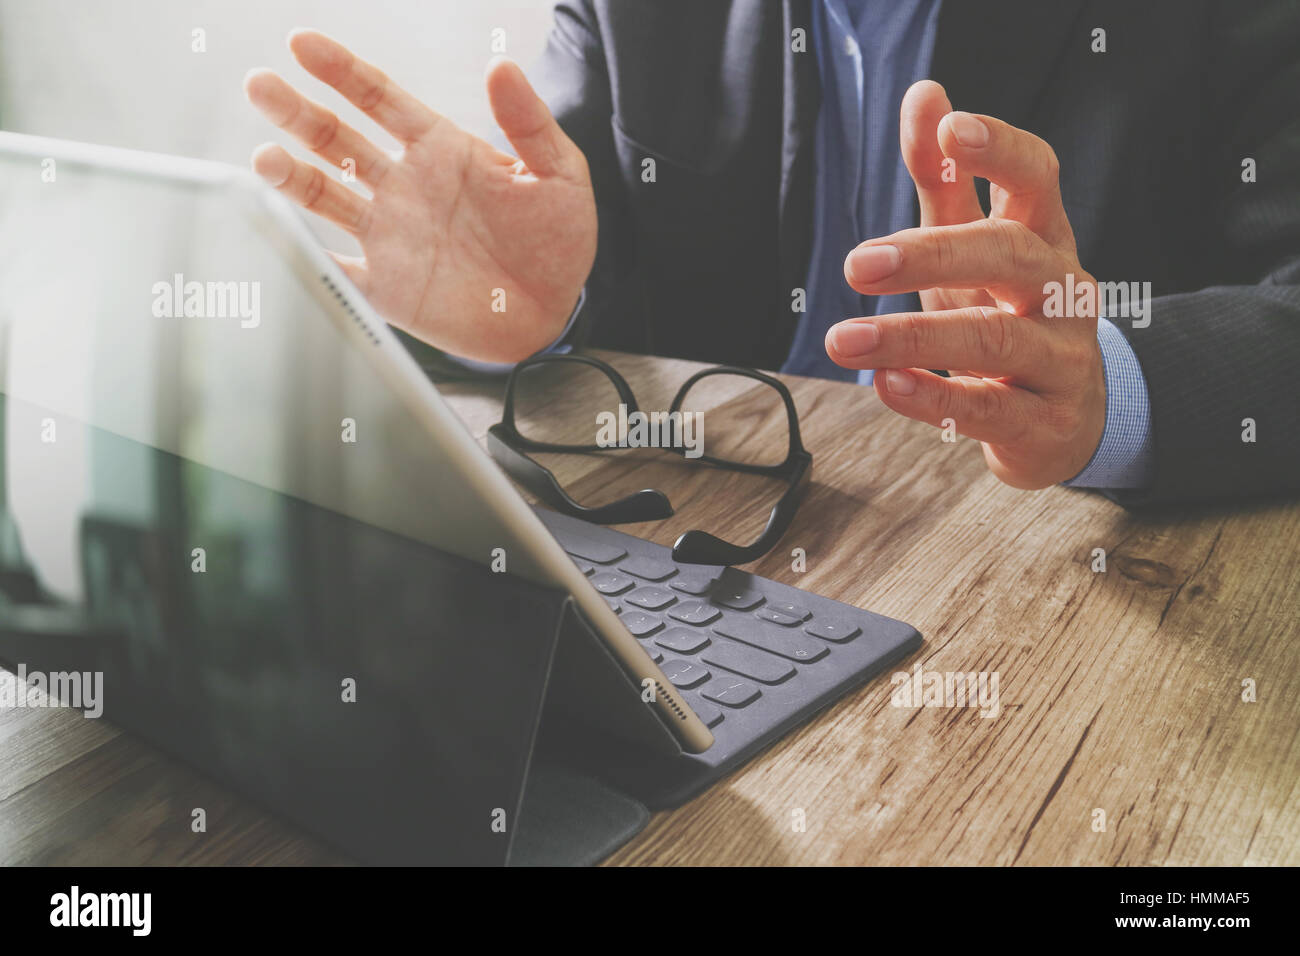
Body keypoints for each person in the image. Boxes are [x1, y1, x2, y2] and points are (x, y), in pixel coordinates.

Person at [243, 1, 1300, 507]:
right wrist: (538, 313)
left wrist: (1105, 394)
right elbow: (571, 248)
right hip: (729, 543)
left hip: (1067, 564)